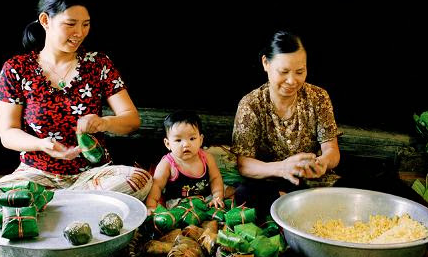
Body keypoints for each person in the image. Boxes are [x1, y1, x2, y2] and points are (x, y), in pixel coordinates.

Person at [0, 0, 152, 217]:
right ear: (45, 20)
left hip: (92, 176)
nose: (80, 32)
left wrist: (104, 123)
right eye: (70, 24)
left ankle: (50, 208)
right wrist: (42, 144)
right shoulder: (16, 68)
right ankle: (79, 208)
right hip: (36, 175)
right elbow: (8, 133)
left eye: (85, 24)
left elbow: (132, 120)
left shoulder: (99, 64)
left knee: (138, 179)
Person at [231, 30, 341, 214]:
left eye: (300, 71)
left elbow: (332, 150)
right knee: (245, 194)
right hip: (272, 182)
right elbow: (244, 164)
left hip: (313, 183)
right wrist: (282, 168)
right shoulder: (251, 104)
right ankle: (297, 206)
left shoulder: (318, 97)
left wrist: (323, 163)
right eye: (283, 72)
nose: (292, 80)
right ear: (266, 63)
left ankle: (298, 206)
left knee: (360, 185)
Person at [145, 110, 225, 214]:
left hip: (206, 199)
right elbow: (157, 186)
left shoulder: (207, 158)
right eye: (178, 140)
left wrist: (217, 197)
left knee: (219, 210)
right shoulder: (167, 164)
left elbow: (215, 178)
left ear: (200, 140)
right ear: (168, 143)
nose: (186, 144)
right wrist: (151, 206)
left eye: (192, 138)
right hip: (178, 205)